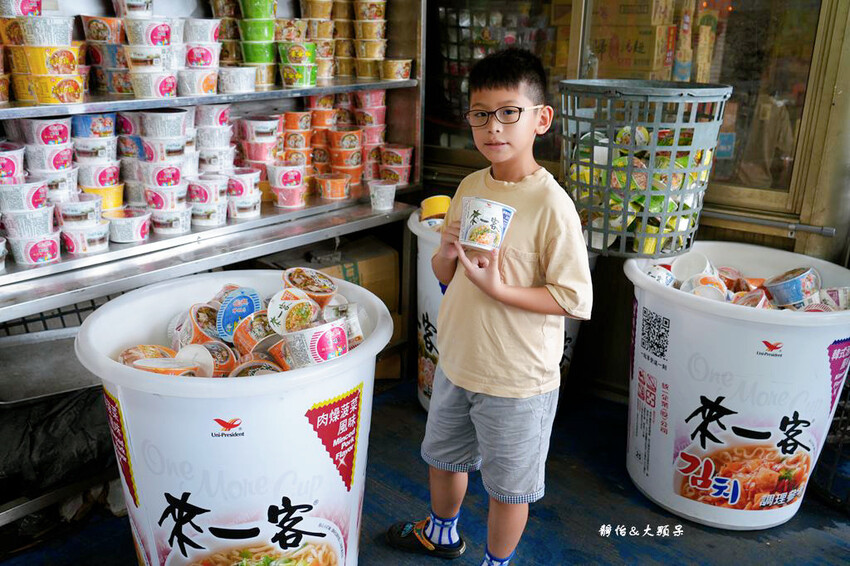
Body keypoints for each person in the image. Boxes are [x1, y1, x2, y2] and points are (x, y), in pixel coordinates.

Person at [386, 48, 593, 565]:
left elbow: (573, 299)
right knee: (443, 457)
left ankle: (495, 562)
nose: (492, 127)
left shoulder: (552, 205)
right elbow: (446, 275)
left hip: (518, 378)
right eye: (480, 114)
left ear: (540, 119)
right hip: (459, 361)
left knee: (508, 488)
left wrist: (500, 290)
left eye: (508, 112)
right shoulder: (470, 186)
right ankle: (442, 532)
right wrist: (447, 254)